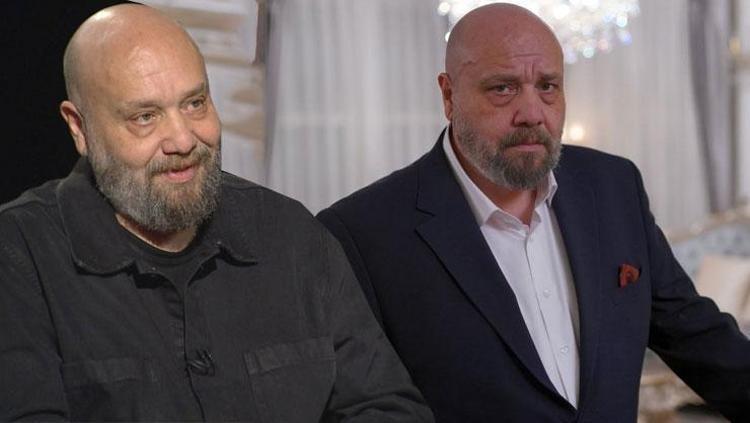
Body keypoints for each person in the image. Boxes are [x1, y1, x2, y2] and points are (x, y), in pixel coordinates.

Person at [318, 3, 750, 422]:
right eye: (502, 88)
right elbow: (358, 405)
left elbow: (696, 335)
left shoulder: (614, 187)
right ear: (449, 96)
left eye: (547, 86)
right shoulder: (360, 234)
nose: (531, 114)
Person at [0, 4, 433, 422]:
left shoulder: (292, 234)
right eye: (145, 117)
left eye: (195, 103)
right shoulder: (20, 255)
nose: (183, 140)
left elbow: (391, 408)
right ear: (79, 128)